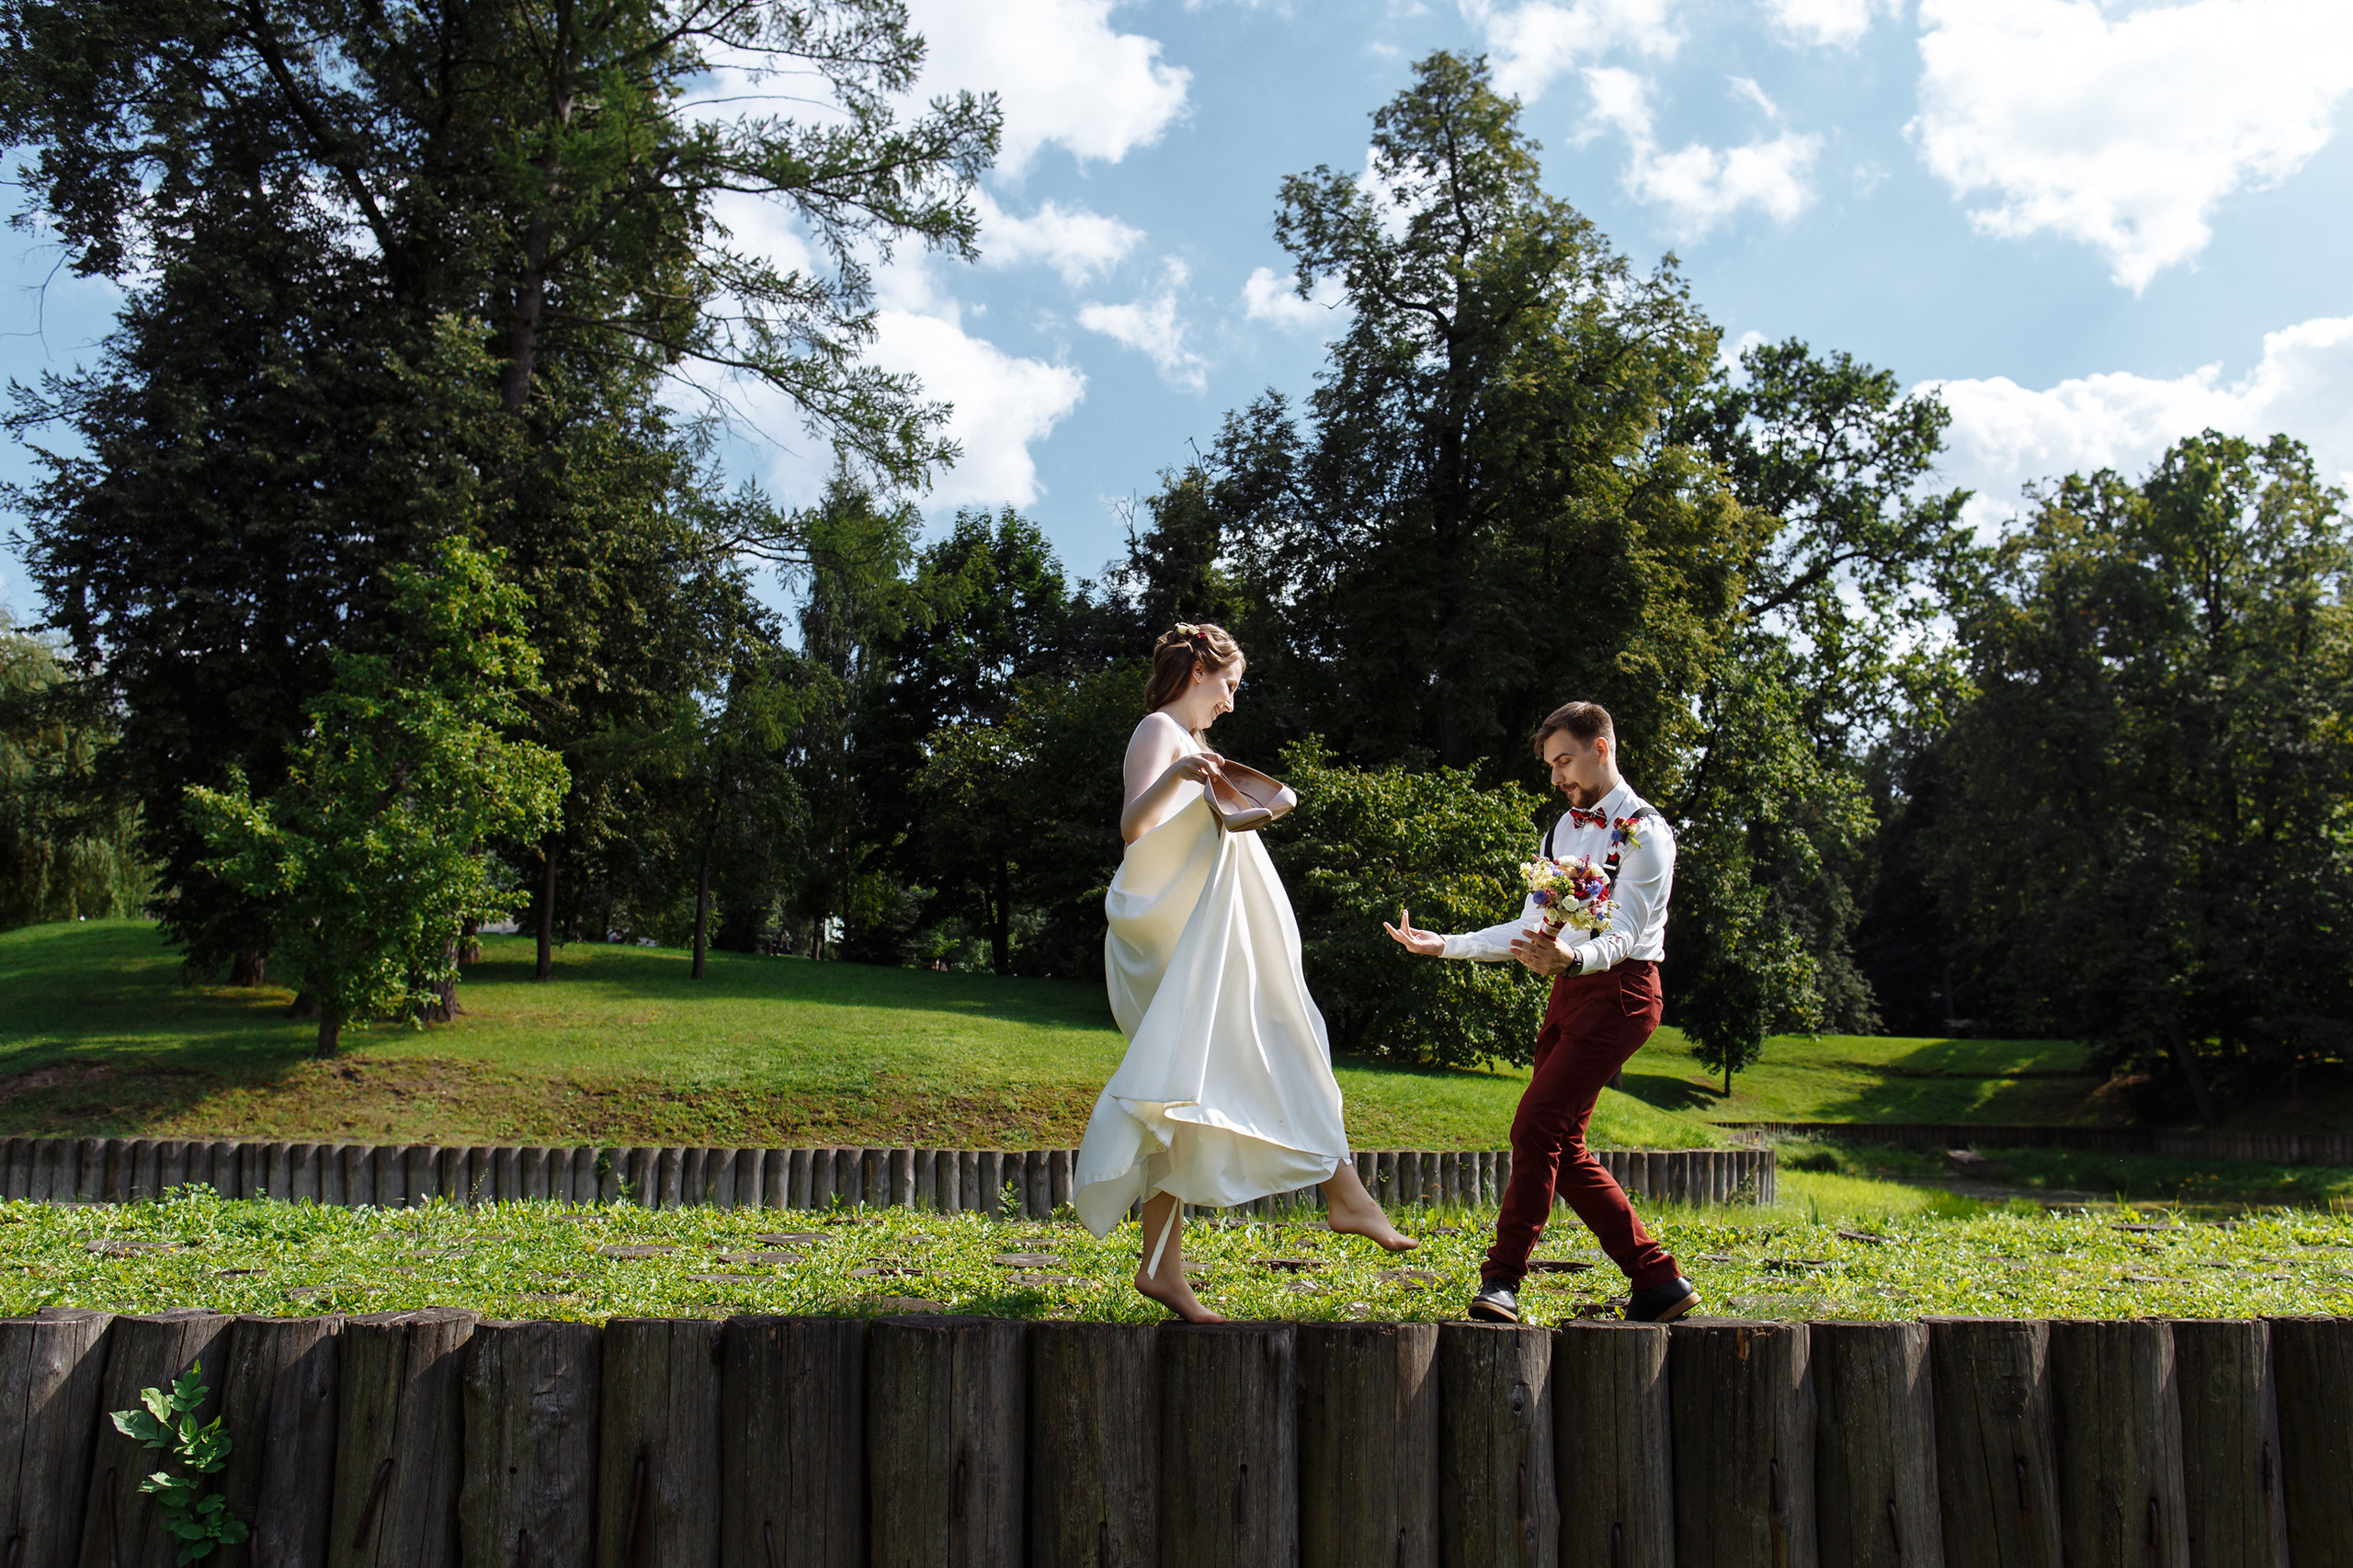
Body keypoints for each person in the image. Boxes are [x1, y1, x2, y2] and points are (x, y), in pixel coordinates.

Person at [1074, 622, 1415, 1322]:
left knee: (1184, 1090)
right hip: (1173, 930)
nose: (1231, 701)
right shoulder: (1159, 731)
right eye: (1229, 684)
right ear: (1198, 669)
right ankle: (1345, 1194)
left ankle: (1162, 1269)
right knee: (1240, 1056)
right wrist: (1180, 775)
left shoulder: (1195, 742)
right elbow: (1134, 829)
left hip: (1204, 928)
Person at [1384, 699, 1699, 1325]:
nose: (1556, 776)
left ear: (1600, 748)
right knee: (1560, 1141)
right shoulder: (1561, 831)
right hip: (1570, 992)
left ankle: (1502, 1278)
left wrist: (1571, 960)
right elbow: (1531, 928)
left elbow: (1625, 936)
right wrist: (1447, 944)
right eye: (1551, 765)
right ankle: (1658, 1281)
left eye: (1564, 761)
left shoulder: (1646, 833)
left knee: (1535, 1127)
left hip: (1622, 993)